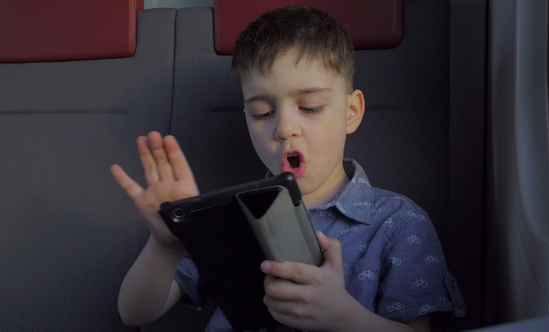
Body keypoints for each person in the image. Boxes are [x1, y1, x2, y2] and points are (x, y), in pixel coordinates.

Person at [111, 6, 465, 332]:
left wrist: (342, 316)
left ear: (351, 112)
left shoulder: (398, 221)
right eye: (263, 113)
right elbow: (135, 313)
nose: (283, 128)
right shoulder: (227, 217)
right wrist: (165, 246)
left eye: (309, 107)